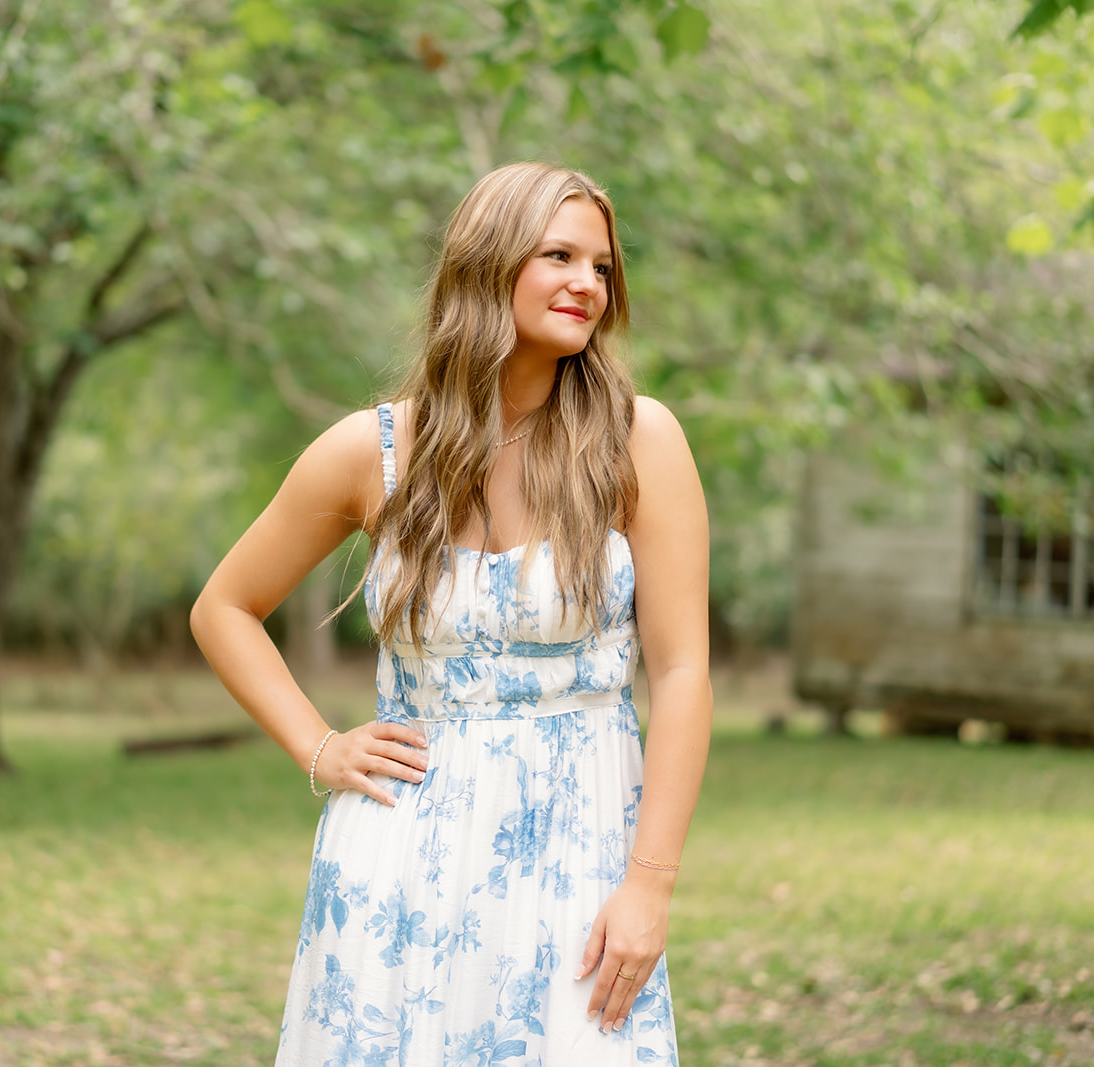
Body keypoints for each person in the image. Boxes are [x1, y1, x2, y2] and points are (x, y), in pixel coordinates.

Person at [190, 161, 712, 1065]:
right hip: (400, 855)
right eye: (559, 255)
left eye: (602, 267)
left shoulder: (639, 440)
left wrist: (650, 884)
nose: (587, 284)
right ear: (489, 260)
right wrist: (321, 746)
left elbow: (682, 672)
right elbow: (225, 607)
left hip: (580, 851)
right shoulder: (374, 453)